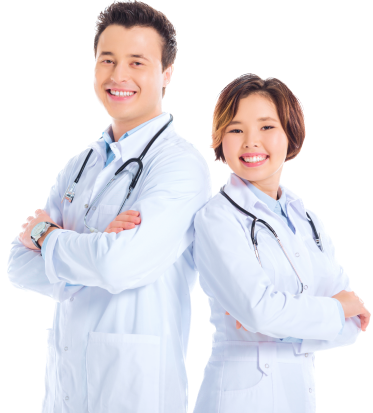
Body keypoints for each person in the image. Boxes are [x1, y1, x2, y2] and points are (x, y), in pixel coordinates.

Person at [7, 1, 211, 412]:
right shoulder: (80, 165)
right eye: (108, 60)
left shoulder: (180, 165)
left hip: (134, 392)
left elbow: (119, 266)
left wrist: (49, 238)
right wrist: (97, 250)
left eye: (137, 62)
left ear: (166, 73)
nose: (119, 76)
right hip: (64, 391)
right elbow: (18, 267)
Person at [192, 73, 370, 413]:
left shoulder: (308, 222)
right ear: (220, 139)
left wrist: (280, 323)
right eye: (236, 129)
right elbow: (262, 312)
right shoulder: (216, 218)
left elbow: (351, 325)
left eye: (266, 127)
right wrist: (330, 310)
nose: (250, 142)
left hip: (297, 396)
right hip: (237, 399)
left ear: (290, 134)